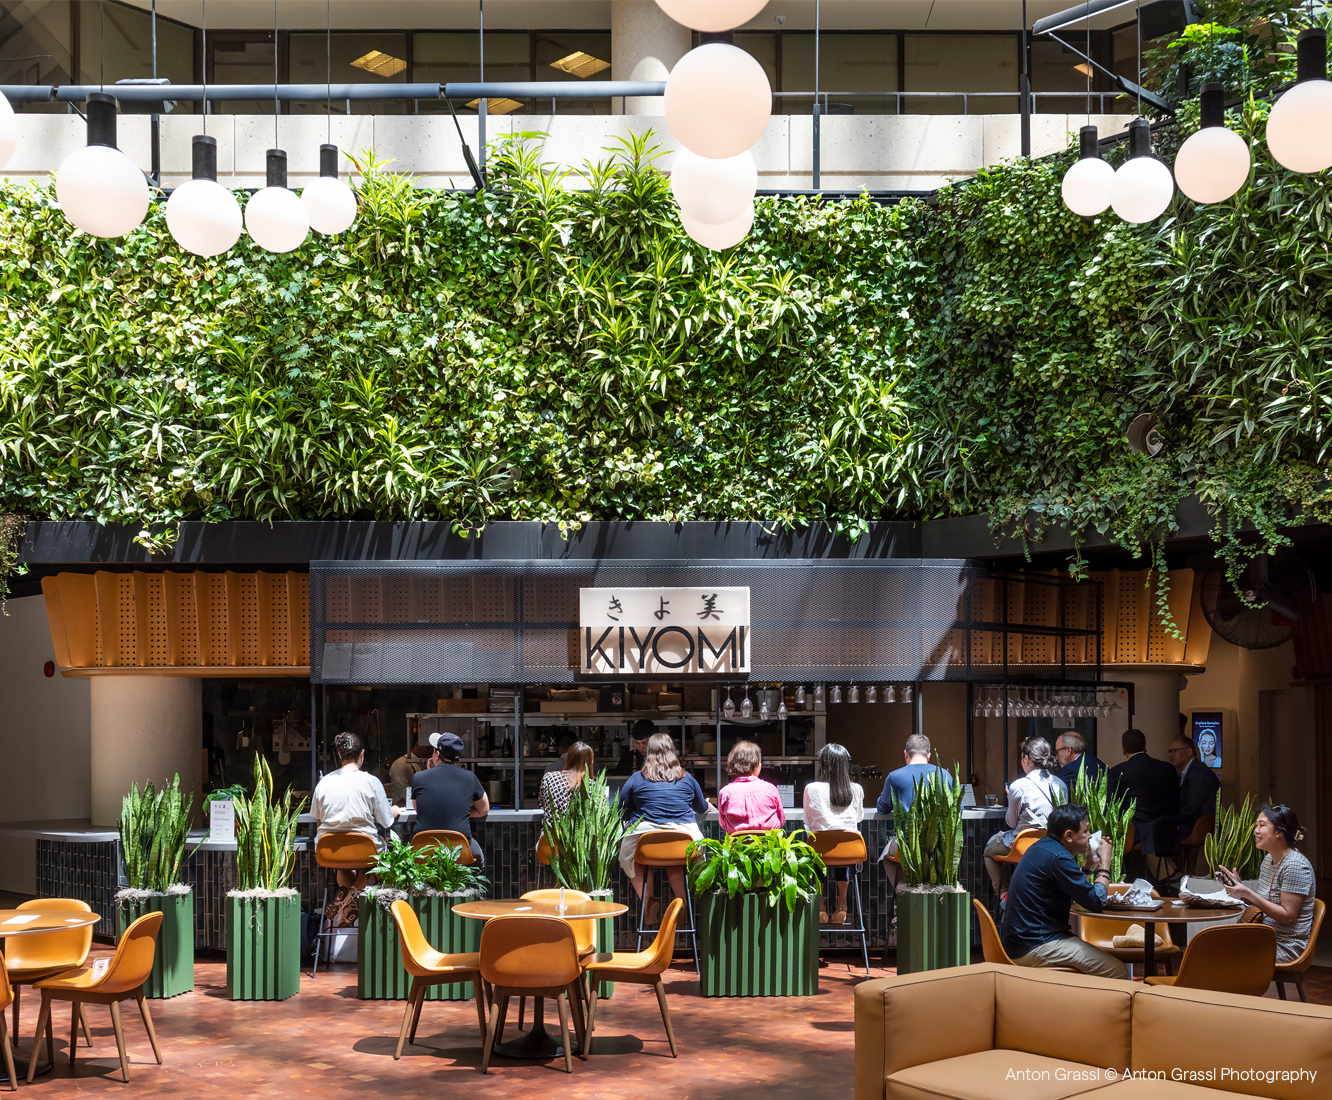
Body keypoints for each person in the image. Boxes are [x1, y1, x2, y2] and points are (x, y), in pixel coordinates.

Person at [1000, 803, 1128, 979]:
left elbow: (1076, 891)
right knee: (1117, 971)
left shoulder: (1044, 847)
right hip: (1035, 944)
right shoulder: (1059, 857)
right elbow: (1096, 901)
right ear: (1069, 835)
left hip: (1021, 941)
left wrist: (1089, 867)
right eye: (1086, 831)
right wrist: (1105, 865)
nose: (1090, 836)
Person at [617, 732, 709, 925]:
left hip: (646, 840)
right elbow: (701, 808)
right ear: (672, 751)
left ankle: (648, 902)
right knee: (675, 862)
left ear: (647, 753)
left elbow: (622, 812)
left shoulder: (635, 779)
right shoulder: (687, 779)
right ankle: (681, 903)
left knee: (634, 860)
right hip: (684, 841)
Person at [312, 731, 400, 923]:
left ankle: (345, 899)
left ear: (339, 755)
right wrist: (394, 810)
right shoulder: (371, 782)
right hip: (364, 850)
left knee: (342, 860)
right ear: (362, 754)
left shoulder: (324, 783)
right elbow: (386, 821)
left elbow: (319, 822)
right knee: (383, 862)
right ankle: (351, 896)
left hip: (329, 851)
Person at [1219, 803, 1317, 965]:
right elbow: (1265, 904)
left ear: (1279, 832)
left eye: (1262, 825)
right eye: (1256, 825)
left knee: (1219, 953)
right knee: (1212, 946)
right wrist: (1241, 890)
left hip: (1285, 945)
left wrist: (1248, 893)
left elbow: (1288, 917)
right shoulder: (1267, 860)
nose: (1256, 830)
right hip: (1264, 937)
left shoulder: (1295, 865)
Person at [983, 736, 1067, 894]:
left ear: (1027, 759)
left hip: (1022, 846)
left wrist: (1010, 799)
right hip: (1051, 845)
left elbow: (1011, 823)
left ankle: (1003, 894)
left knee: (988, 851)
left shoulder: (1018, 786)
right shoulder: (1060, 784)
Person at [802, 743, 865, 925]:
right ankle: (842, 903)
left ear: (823, 765)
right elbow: (859, 817)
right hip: (850, 851)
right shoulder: (856, 789)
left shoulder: (812, 789)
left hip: (820, 850)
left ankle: (820, 903)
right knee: (841, 847)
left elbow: (808, 820)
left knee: (818, 849)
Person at [411, 731, 489, 867]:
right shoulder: (469, 777)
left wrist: (429, 771)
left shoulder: (419, 777)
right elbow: (484, 809)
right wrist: (459, 812)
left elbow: (419, 808)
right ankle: (468, 888)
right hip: (458, 850)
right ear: (457, 758)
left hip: (424, 849)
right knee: (479, 860)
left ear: (437, 754)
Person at [1107, 728, 1180, 866]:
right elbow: (1176, 800)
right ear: (1145, 746)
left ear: (1123, 750)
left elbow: (1112, 805)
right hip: (1168, 830)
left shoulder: (1118, 772)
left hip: (1136, 833)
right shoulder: (1167, 768)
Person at [875, 734, 951, 816]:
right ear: (929, 755)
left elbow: (882, 809)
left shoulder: (894, 777)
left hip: (905, 829)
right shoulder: (944, 775)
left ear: (905, 754)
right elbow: (956, 807)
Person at [718, 741, 785, 834]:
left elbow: (723, 824)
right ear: (755, 765)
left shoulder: (725, 793)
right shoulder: (770, 789)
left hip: (737, 847)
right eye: (760, 761)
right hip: (768, 847)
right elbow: (781, 821)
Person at [1169, 735, 1220, 842]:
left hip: (1195, 826)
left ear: (1189, 751)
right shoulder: (1191, 770)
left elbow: (1190, 807)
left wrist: (1169, 818)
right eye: (1169, 751)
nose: (1171, 755)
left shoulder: (1197, 773)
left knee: (1157, 830)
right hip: (1192, 823)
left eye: (1175, 751)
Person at [539, 741, 595, 818]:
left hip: (551, 830)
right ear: (590, 762)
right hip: (580, 830)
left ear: (568, 758)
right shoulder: (593, 787)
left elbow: (542, 803)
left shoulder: (549, 778)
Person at [389, 741, 432, 806]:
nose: (430, 751)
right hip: (403, 809)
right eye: (428, 747)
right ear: (418, 744)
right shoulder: (400, 764)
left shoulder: (423, 764)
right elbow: (404, 792)